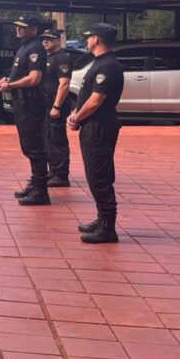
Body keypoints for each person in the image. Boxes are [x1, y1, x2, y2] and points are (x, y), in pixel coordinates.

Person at [68, 23, 125, 244]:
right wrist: (77, 114)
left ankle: (108, 228)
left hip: (100, 126)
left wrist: (76, 117)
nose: (88, 40)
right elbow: (86, 95)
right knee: (94, 175)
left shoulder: (108, 65)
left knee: (99, 176)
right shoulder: (100, 62)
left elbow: (95, 101)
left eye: (90, 36)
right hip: (92, 125)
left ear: (97, 39)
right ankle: (102, 219)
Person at [0, 15, 51, 207]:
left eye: (23, 27)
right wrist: (7, 80)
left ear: (34, 29)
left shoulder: (35, 47)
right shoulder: (24, 47)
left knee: (34, 146)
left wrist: (11, 84)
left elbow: (34, 78)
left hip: (31, 103)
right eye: (17, 26)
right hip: (22, 103)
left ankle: (40, 191)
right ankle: (35, 183)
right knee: (28, 145)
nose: (18, 29)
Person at [40, 28, 74, 187]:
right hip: (46, 104)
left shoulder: (62, 58)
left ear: (58, 41)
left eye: (49, 39)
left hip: (56, 105)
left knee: (57, 139)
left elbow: (64, 84)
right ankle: (52, 170)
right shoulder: (48, 57)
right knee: (48, 139)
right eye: (44, 39)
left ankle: (61, 174)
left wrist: (57, 106)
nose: (45, 41)